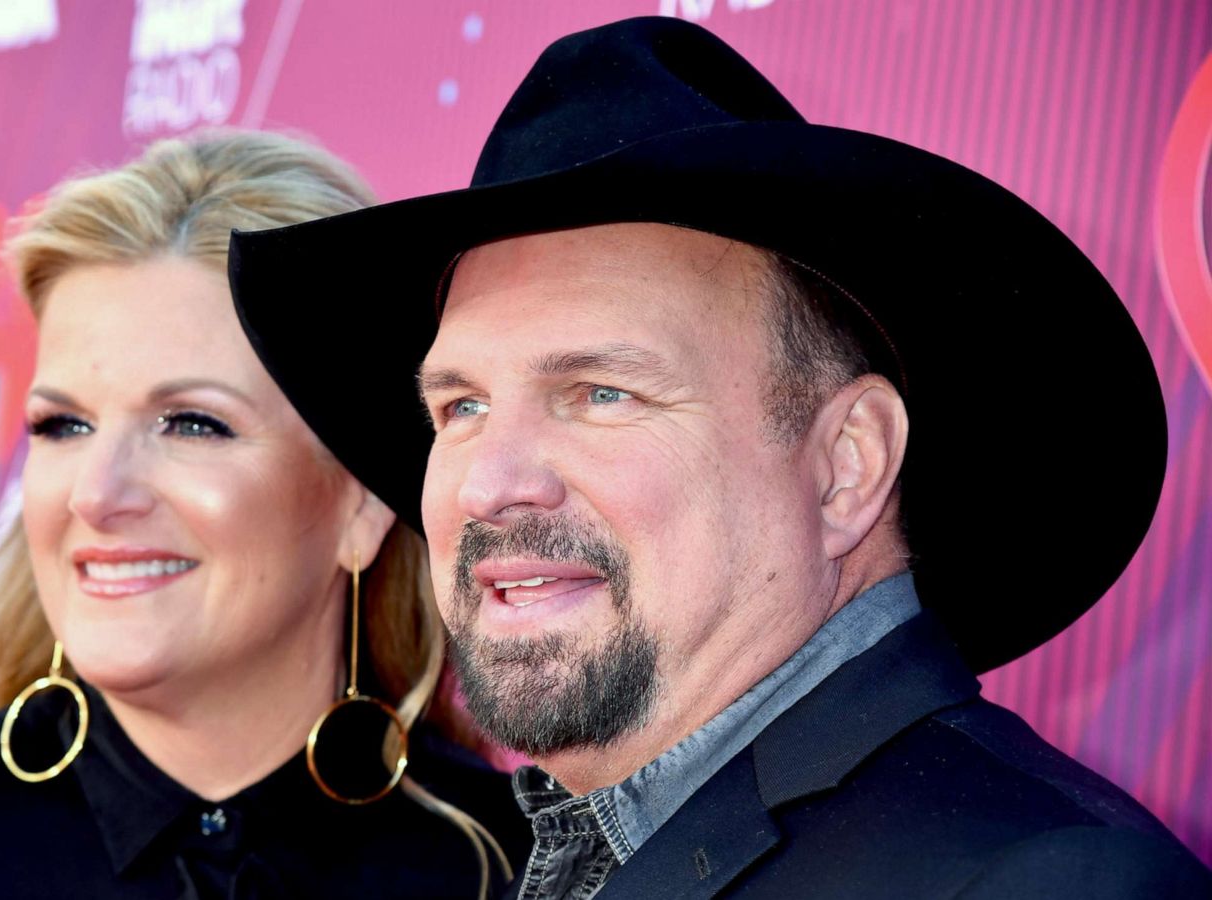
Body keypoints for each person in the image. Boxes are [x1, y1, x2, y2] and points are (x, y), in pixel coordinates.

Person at [226, 17, 1212, 900]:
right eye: (460, 406)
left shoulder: (1046, 883)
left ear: (846, 465)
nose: (486, 483)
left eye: (600, 393)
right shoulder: (528, 856)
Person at [0, 132, 527, 899]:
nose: (96, 493)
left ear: (363, 502)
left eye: (192, 423)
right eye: (64, 425)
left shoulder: (519, 868)